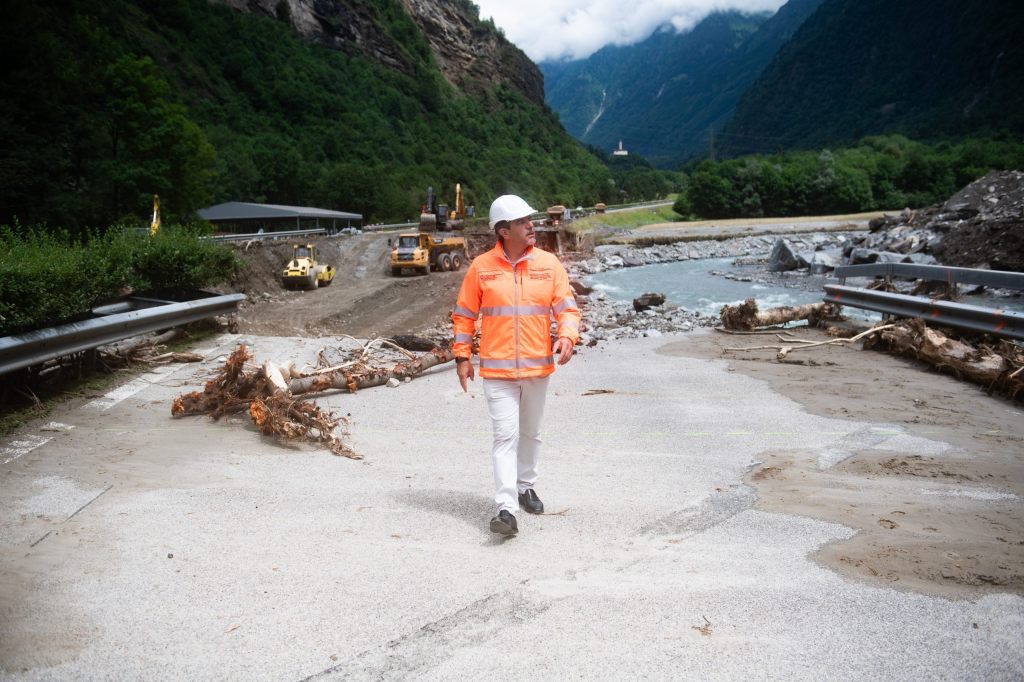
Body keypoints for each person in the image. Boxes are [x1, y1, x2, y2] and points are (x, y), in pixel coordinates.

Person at [451, 195, 581, 536]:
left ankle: (526, 487)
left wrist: (568, 336)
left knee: (531, 433)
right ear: (504, 231)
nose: (532, 226)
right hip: (497, 371)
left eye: (531, 220)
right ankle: (506, 509)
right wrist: (462, 356)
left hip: (538, 368)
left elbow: (567, 309)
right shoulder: (482, 268)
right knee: (505, 437)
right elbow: (464, 315)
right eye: (524, 222)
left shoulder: (549, 265)